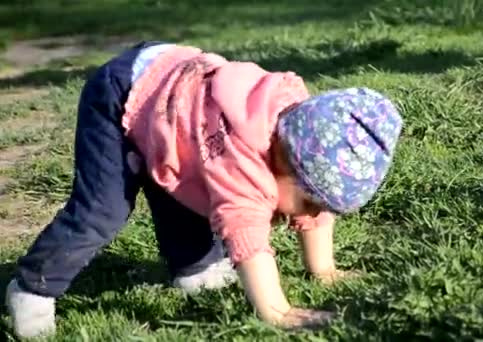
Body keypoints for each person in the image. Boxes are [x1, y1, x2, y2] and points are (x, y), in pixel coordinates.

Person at [4, 41, 403, 339]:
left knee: (187, 179)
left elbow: (313, 200)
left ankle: (194, 266)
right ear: (285, 165)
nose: (313, 215)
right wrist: (277, 311)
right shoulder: (245, 162)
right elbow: (246, 233)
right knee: (102, 211)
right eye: (311, 203)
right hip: (123, 92)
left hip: (176, 103)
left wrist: (324, 271)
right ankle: (33, 287)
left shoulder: (302, 131)